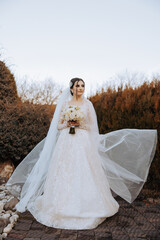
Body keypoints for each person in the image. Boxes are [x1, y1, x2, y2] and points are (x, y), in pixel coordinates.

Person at [6, 77, 158, 230]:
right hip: (66, 141)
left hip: (83, 142)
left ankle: (87, 205)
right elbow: (58, 125)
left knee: (83, 169)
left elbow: (93, 126)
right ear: (71, 88)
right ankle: (59, 203)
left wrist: (80, 123)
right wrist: (68, 123)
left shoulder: (88, 104)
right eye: (77, 85)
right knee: (64, 170)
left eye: (83, 85)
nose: (80, 88)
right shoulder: (65, 104)